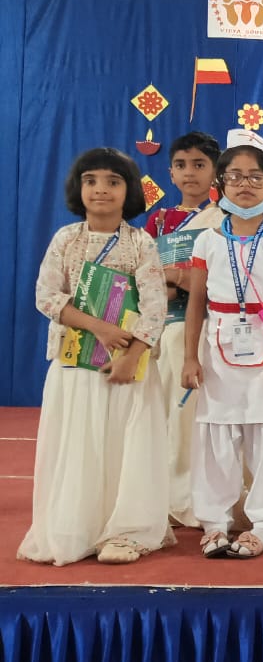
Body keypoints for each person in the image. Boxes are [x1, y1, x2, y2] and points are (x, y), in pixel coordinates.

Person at [21, 147, 171, 565]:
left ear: (130, 191)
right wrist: (99, 328)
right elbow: (46, 296)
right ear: (78, 188)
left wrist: (131, 356)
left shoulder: (141, 242)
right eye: (91, 181)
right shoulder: (65, 239)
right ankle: (76, 527)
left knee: (127, 446)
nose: (101, 189)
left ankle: (126, 531)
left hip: (126, 368)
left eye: (112, 181)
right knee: (77, 445)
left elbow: (156, 306)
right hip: (75, 364)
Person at [182, 141, 263, 559]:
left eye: (256, 177)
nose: (245, 185)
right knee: (216, 436)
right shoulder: (207, 242)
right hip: (217, 349)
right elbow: (195, 305)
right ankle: (214, 524)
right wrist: (189, 356)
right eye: (235, 176)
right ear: (220, 184)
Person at [142, 130, 223, 527]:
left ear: (216, 172)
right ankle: (170, 497)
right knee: (165, 416)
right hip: (162, 331)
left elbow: (222, 278)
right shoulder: (158, 220)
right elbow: (143, 275)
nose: (189, 172)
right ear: (170, 173)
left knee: (199, 418)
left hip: (208, 331)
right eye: (181, 165)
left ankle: (205, 497)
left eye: (199, 165)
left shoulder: (226, 219)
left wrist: (178, 276)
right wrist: (172, 279)